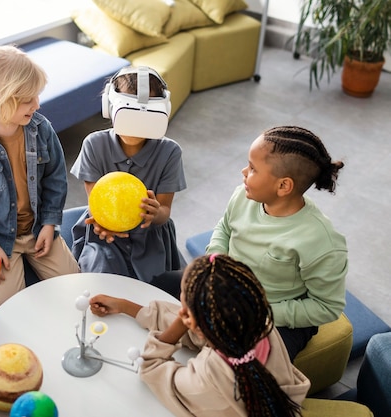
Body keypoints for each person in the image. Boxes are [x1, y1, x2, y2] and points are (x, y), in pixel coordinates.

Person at [90, 254, 310, 417]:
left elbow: (152, 369)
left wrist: (183, 321)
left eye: (183, 296)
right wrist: (126, 306)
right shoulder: (261, 326)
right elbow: (201, 334)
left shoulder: (207, 380)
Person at [208, 125, 348, 360]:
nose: (243, 172)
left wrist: (260, 312)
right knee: (165, 286)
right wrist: (216, 261)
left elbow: (327, 306)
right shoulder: (242, 195)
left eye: (253, 169)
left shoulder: (321, 242)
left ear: (283, 186)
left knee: (244, 366)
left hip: (279, 319)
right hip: (231, 293)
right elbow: (224, 228)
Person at [0, 44, 79, 310]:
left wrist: (49, 224)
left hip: (37, 230)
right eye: (28, 100)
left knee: (75, 286)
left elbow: (55, 180)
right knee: (7, 307)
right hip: (0, 237)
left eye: (36, 96)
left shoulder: (41, 129)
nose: (37, 104)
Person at [70, 66, 186, 297]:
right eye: (128, 114)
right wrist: (103, 223)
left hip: (152, 237)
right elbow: (96, 202)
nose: (134, 127)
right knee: (101, 286)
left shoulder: (170, 152)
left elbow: (165, 211)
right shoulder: (94, 144)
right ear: (109, 107)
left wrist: (155, 214)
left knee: (152, 295)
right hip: (104, 236)